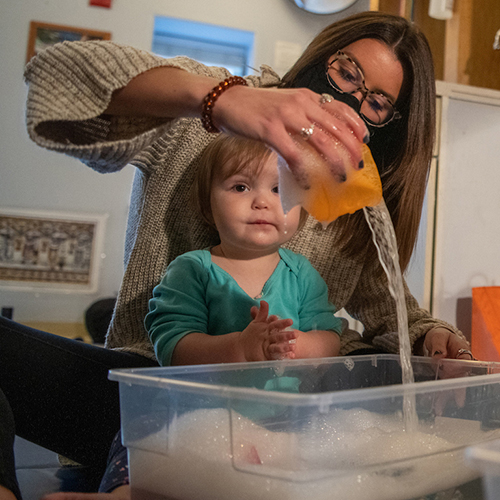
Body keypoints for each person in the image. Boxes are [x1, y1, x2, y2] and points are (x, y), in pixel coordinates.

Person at [0, 11, 475, 500]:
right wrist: (222, 100)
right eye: (346, 71)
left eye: (376, 102)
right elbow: (54, 77)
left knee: (408, 387)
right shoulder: (218, 109)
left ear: (389, 125)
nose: (348, 100)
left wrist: (432, 338)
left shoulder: (353, 191)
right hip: (148, 395)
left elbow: (387, 312)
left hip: (290, 411)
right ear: (321, 57)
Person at [145, 134, 343, 367]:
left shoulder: (302, 273)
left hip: (287, 404)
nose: (262, 202)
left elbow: (329, 337)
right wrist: (240, 348)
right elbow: (173, 349)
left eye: (280, 189)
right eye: (241, 187)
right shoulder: (192, 270)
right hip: (210, 403)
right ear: (208, 206)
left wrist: (291, 345)